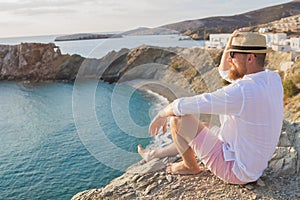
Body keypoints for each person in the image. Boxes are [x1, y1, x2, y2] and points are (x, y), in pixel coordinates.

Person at [138, 30, 283, 184]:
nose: (229, 58)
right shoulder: (272, 78)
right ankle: (154, 154)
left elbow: (184, 106)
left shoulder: (242, 91)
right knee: (203, 126)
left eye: (233, 54)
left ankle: (189, 166)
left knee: (178, 120)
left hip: (236, 170)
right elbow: (225, 72)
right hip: (252, 164)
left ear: (250, 58)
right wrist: (230, 44)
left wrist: (162, 114)